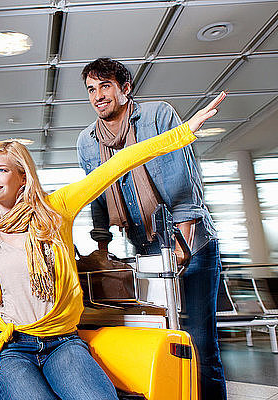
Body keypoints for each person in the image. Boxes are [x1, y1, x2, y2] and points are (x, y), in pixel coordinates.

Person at [0, 90, 225, 400]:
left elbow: (120, 163)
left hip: (62, 342)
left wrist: (184, 132)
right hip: (11, 347)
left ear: (23, 178)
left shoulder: (57, 208)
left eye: (1, 170)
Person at [76, 58, 227, 400]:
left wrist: (180, 247)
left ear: (125, 88)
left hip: (192, 244)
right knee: (165, 337)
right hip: (145, 249)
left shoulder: (157, 116)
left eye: (105, 86)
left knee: (199, 342)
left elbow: (182, 183)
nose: (97, 96)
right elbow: (96, 193)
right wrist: (102, 248)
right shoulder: (87, 142)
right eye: (91, 89)